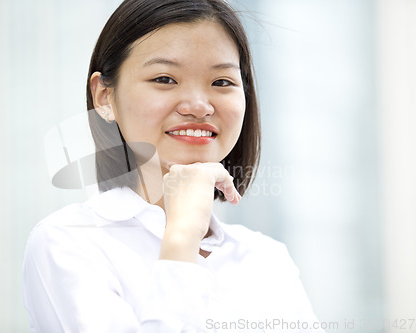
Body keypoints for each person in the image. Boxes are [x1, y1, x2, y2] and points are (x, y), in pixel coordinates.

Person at [23, 0, 324, 332]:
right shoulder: (69, 242)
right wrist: (181, 237)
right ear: (105, 97)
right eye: (165, 78)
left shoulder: (266, 258)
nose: (198, 106)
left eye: (222, 82)